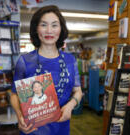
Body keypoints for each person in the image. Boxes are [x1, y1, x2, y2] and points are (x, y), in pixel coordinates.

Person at [10, 5, 83, 135]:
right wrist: (19, 115)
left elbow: (78, 91)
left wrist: (71, 105)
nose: (49, 30)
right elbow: (14, 94)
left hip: (62, 127)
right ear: (36, 29)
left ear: (61, 29)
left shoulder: (70, 60)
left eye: (54, 25)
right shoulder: (25, 61)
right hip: (32, 129)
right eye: (43, 25)